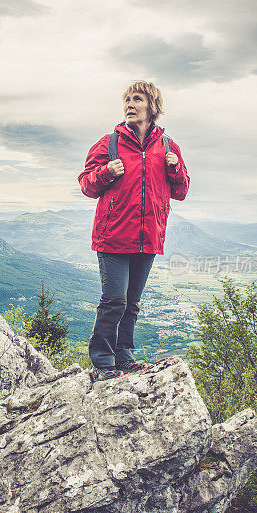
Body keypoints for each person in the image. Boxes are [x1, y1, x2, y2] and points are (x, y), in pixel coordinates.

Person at [78, 80, 190, 382]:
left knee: (132, 303)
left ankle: (124, 357)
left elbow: (181, 191)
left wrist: (175, 168)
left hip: (148, 236)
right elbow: (86, 185)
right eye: (127, 99)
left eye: (137, 99)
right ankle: (102, 362)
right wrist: (105, 172)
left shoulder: (168, 147)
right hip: (112, 235)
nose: (129, 104)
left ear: (152, 107)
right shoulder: (108, 144)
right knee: (114, 301)